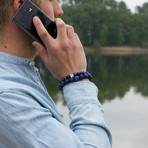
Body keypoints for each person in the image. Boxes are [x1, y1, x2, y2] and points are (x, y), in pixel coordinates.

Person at [0, 0, 112, 147]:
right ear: (21, 5)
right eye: (52, 0)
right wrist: (77, 78)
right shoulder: (7, 97)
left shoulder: (16, 80)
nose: (59, 11)